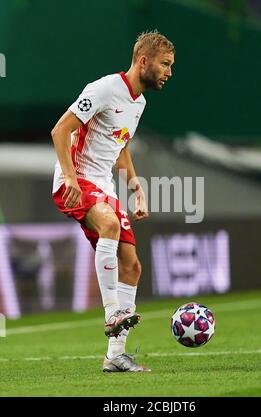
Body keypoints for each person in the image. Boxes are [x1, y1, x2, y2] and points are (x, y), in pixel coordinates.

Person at [51, 30, 175, 372]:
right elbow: (60, 131)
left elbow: (119, 146)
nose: (169, 72)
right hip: (74, 180)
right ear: (143, 61)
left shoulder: (139, 103)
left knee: (132, 266)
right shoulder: (104, 89)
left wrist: (135, 188)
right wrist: (72, 179)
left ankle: (115, 355)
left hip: (103, 186)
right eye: (165, 64)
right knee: (108, 224)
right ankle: (112, 312)